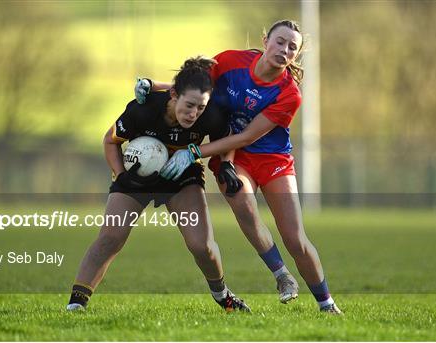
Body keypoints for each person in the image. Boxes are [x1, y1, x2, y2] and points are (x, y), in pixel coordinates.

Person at [135, 20, 341, 314]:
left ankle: (327, 303)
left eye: (292, 47)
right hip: (232, 156)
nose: (284, 50)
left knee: (295, 238)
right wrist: (152, 86)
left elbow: (247, 136)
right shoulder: (231, 61)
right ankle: (282, 275)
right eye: (280, 42)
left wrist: (192, 152)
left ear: (296, 55)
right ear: (265, 40)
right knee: (243, 204)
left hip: (272, 159)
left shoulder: (289, 95)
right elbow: (191, 89)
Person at [67, 56, 250, 313]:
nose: (194, 113)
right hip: (137, 176)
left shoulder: (212, 115)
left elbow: (227, 144)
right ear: (173, 94)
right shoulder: (143, 109)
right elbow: (110, 141)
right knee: (111, 237)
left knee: (202, 245)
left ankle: (223, 296)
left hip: (182, 176)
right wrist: (120, 176)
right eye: (189, 105)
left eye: (200, 107)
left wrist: (227, 164)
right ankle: (77, 304)